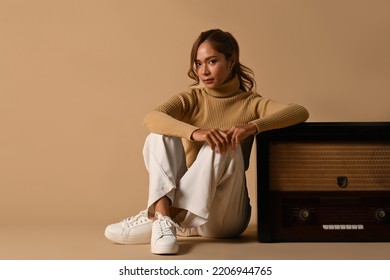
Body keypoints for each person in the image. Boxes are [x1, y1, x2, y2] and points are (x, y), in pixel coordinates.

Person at [104, 29, 309, 255]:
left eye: (212, 62)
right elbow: (151, 118)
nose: (204, 71)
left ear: (231, 62)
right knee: (158, 135)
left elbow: (299, 111)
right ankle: (164, 222)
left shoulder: (251, 103)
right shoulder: (192, 98)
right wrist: (196, 133)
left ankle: (162, 216)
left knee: (222, 142)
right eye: (198, 63)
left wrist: (251, 127)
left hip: (224, 219)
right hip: (191, 220)